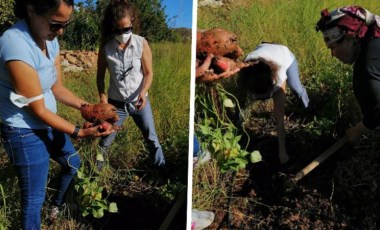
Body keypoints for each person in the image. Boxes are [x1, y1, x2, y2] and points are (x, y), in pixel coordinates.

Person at [0, 0, 113, 229]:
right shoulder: (14, 43)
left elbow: (56, 87)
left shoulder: (50, 41)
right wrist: (78, 131)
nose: (60, 31)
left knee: (73, 164)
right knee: (33, 200)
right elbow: (37, 109)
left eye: (65, 24)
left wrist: (90, 109)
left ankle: (56, 206)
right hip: (23, 130)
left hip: (49, 121)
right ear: (31, 8)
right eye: (55, 24)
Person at [96, 0, 165, 169]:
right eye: (117, 30)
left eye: (126, 29)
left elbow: (149, 73)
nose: (122, 33)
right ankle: (95, 173)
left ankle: (162, 170)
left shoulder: (141, 43)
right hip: (115, 104)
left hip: (139, 102)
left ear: (132, 21)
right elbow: (100, 76)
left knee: (151, 137)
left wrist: (144, 92)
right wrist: (103, 99)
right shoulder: (106, 47)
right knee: (105, 140)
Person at [315, 6, 380, 143]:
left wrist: (359, 130)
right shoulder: (375, 39)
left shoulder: (367, 66)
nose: (333, 54)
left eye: (333, 47)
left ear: (349, 39)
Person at [237, 43, 309, 164]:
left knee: (296, 88)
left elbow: (280, 120)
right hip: (263, 48)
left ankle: (307, 107)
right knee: (241, 105)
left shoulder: (279, 78)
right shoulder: (246, 70)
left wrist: (282, 152)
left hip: (284, 54)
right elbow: (241, 98)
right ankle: (238, 122)